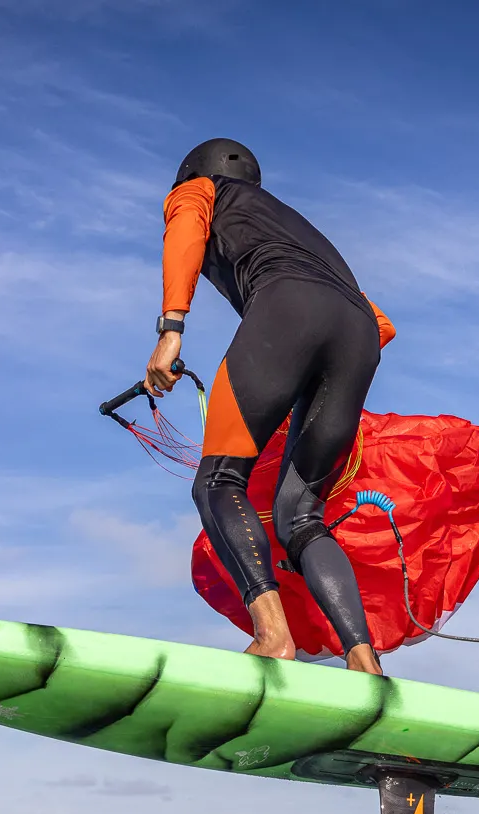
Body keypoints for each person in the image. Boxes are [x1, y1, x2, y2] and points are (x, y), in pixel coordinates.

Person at [145, 138, 397, 675]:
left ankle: (273, 637)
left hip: (286, 308)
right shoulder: (296, 226)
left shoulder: (200, 191)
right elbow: (381, 324)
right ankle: (364, 662)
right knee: (302, 515)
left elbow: (187, 231)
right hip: (358, 334)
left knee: (216, 481)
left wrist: (171, 329)